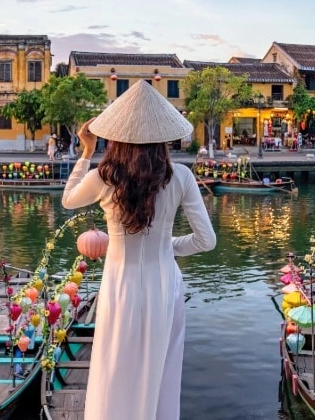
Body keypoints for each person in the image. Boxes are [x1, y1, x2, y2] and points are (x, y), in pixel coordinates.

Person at [61, 80, 216, 420]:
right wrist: (166, 246)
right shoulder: (182, 176)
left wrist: (86, 152)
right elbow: (206, 241)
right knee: (162, 371)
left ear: (117, 136)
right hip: (165, 285)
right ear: (163, 136)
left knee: (116, 369)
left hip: (121, 286)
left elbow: (68, 199)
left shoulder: (104, 177)